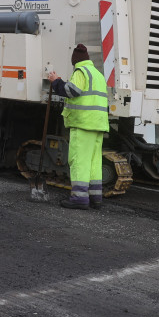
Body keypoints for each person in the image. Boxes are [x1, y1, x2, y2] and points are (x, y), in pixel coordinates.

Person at [48, 44, 110, 210]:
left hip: (83, 123)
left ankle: (79, 199)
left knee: (79, 161)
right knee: (94, 162)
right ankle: (95, 198)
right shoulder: (97, 74)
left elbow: (71, 91)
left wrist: (56, 82)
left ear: (75, 61)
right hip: (98, 124)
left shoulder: (80, 72)